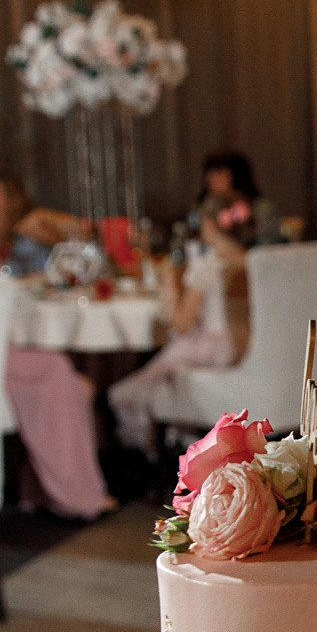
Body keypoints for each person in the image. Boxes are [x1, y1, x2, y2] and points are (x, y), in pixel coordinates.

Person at [106, 171, 255, 453]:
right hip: (245, 348)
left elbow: (182, 324)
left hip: (209, 349)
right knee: (165, 382)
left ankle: (149, 454)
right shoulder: (255, 263)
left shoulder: (205, 266)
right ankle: (186, 439)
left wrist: (170, 286)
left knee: (128, 391)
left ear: (210, 225)